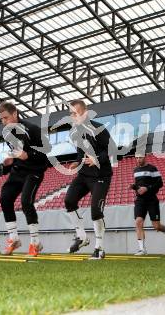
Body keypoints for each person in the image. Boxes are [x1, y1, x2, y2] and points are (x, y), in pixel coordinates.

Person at [0, 101, 51, 256]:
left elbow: (44, 153)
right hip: (18, 170)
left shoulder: (32, 129)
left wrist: (28, 155)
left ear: (15, 114)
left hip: (35, 170)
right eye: (1, 119)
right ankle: (13, 239)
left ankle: (35, 243)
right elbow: (16, 153)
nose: (3, 122)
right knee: (5, 198)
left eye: (6, 118)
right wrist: (11, 161)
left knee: (26, 202)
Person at [64, 99, 114, 260]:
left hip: (101, 176)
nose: (72, 116)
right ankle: (81, 236)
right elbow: (81, 152)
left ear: (84, 113)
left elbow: (112, 150)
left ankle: (99, 248)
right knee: (69, 200)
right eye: (70, 113)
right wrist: (77, 162)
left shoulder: (98, 128)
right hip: (84, 175)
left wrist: (96, 159)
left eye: (75, 113)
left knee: (95, 210)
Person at [130, 152, 165, 255]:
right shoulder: (135, 170)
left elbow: (160, 183)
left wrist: (147, 188)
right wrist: (134, 187)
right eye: (136, 158)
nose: (138, 159)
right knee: (138, 222)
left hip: (151, 199)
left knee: (156, 226)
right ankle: (142, 249)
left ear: (145, 156)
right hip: (140, 200)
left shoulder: (152, 169)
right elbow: (138, 185)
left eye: (140, 157)